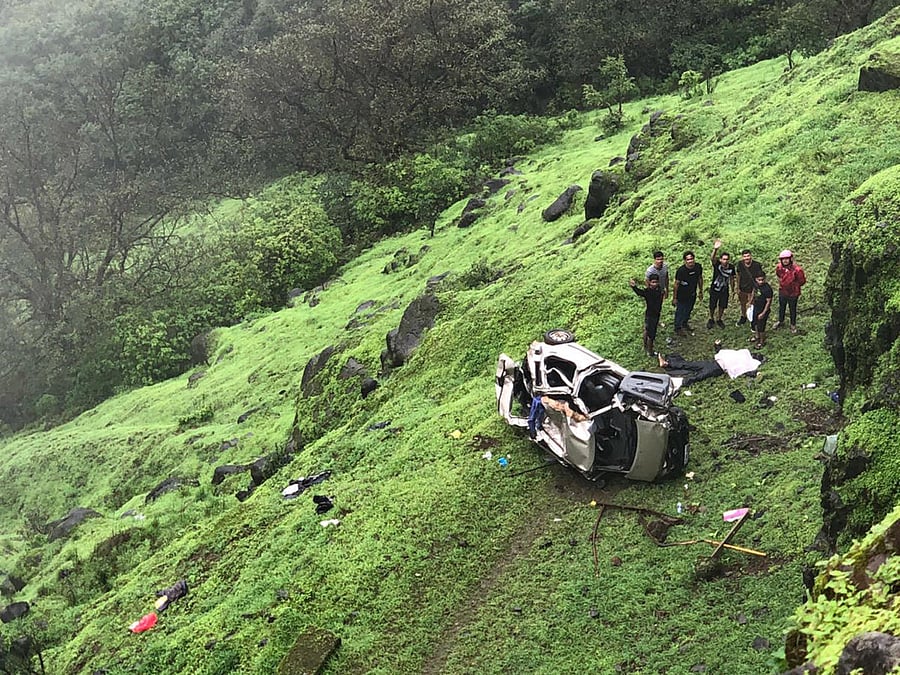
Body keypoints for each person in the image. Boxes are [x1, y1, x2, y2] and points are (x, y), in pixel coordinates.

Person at [774, 249, 806, 333]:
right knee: (781, 307)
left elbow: (802, 281)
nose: (785, 261)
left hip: (793, 293)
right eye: (783, 259)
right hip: (783, 291)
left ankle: (793, 324)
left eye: (787, 259)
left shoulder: (797, 270)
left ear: (790, 259)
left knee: (792, 309)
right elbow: (778, 275)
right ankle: (781, 321)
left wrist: (794, 286)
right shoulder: (779, 267)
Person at [630, 274, 663, 356]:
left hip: (656, 314)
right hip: (651, 315)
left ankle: (645, 346)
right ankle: (650, 351)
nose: (654, 284)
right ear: (649, 282)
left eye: (656, 282)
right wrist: (634, 287)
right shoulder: (648, 291)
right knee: (651, 335)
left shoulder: (659, 290)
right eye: (653, 282)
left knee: (647, 330)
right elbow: (639, 292)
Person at [707, 239, 736, 329]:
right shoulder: (717, 264)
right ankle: (711, 318)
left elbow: (732, 278)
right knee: (712, 305)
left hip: (724, 289)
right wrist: (715, 249)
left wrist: (733, 289)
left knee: (722, 305)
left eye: (727, 259)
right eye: (723, 259)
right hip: (715, 288)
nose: (725, 261)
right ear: (720, 259)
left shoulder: (731, 267)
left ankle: (719, 318)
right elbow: (712, 259)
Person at [672, 250, 703, 335]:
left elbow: (700, 278)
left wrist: (700, 291)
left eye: (691, 259)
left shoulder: (698, 267)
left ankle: (684, 323)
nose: (690, 261)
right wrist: (674, 298)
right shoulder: (681, 271)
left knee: (689, 310)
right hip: (682, 296)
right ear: (685, 261)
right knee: (680, 311)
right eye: (688, 259)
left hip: (692, 294)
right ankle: (677, 327)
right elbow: (676, 284)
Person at [735, 248, 763, 326]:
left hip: (753, 288)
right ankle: (743, 317)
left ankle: (753, 319)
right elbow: (738, 275)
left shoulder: (757, 265)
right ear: (742, 257)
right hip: (743, 288)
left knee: (752, 304)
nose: (747, 258)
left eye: (748, 256)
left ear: (751, 256)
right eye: (745, 256)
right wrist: (737, 287)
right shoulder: (740, 264)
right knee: (743, 304)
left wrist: (756, 288)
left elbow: (760, 277)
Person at [750, 272, 773, 348]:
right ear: (756, 279)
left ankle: (762, 341)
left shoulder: (767, 289)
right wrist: (751, 300)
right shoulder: (755, 285)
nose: (761, 281)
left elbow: (769, 301)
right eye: (759, 280)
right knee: (755, 323)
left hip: (763, 309)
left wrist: (763, 313)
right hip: (756, 307)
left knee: (761, 326)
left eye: (762, 279)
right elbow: (754, 291)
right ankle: (757, 336)